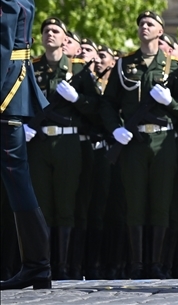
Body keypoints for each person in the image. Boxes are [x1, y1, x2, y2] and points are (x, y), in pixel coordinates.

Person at [99, 11, 178, 279]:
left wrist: (170, 102)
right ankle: (136, 263)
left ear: (160, 31)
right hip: (133, 141)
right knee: (134, 202)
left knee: (160, 201)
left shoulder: (173, 67)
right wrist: (116, 129)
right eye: (141, 24)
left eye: (150, 24)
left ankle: (156, 263)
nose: (144, 27)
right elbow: (107, 104)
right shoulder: (125, 65)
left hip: (162, 140)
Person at [27, 17, 98, 280]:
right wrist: (25, 125)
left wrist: (77, 99)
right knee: (41, 205)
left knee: (65, 206)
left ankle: (64, 266)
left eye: (55, 31)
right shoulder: (32, 68)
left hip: (68, 142)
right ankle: (42, 265)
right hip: (39, 141)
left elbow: (96, 108)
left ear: (65, 38)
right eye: (46, 31)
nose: (49, 34)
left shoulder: (78, 71)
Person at [0, 0, 51, 290]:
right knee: (18, 180)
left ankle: (37, 264)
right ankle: (37, 265)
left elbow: (2, 49)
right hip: (12, 94)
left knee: (18, 182)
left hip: (4, 94)